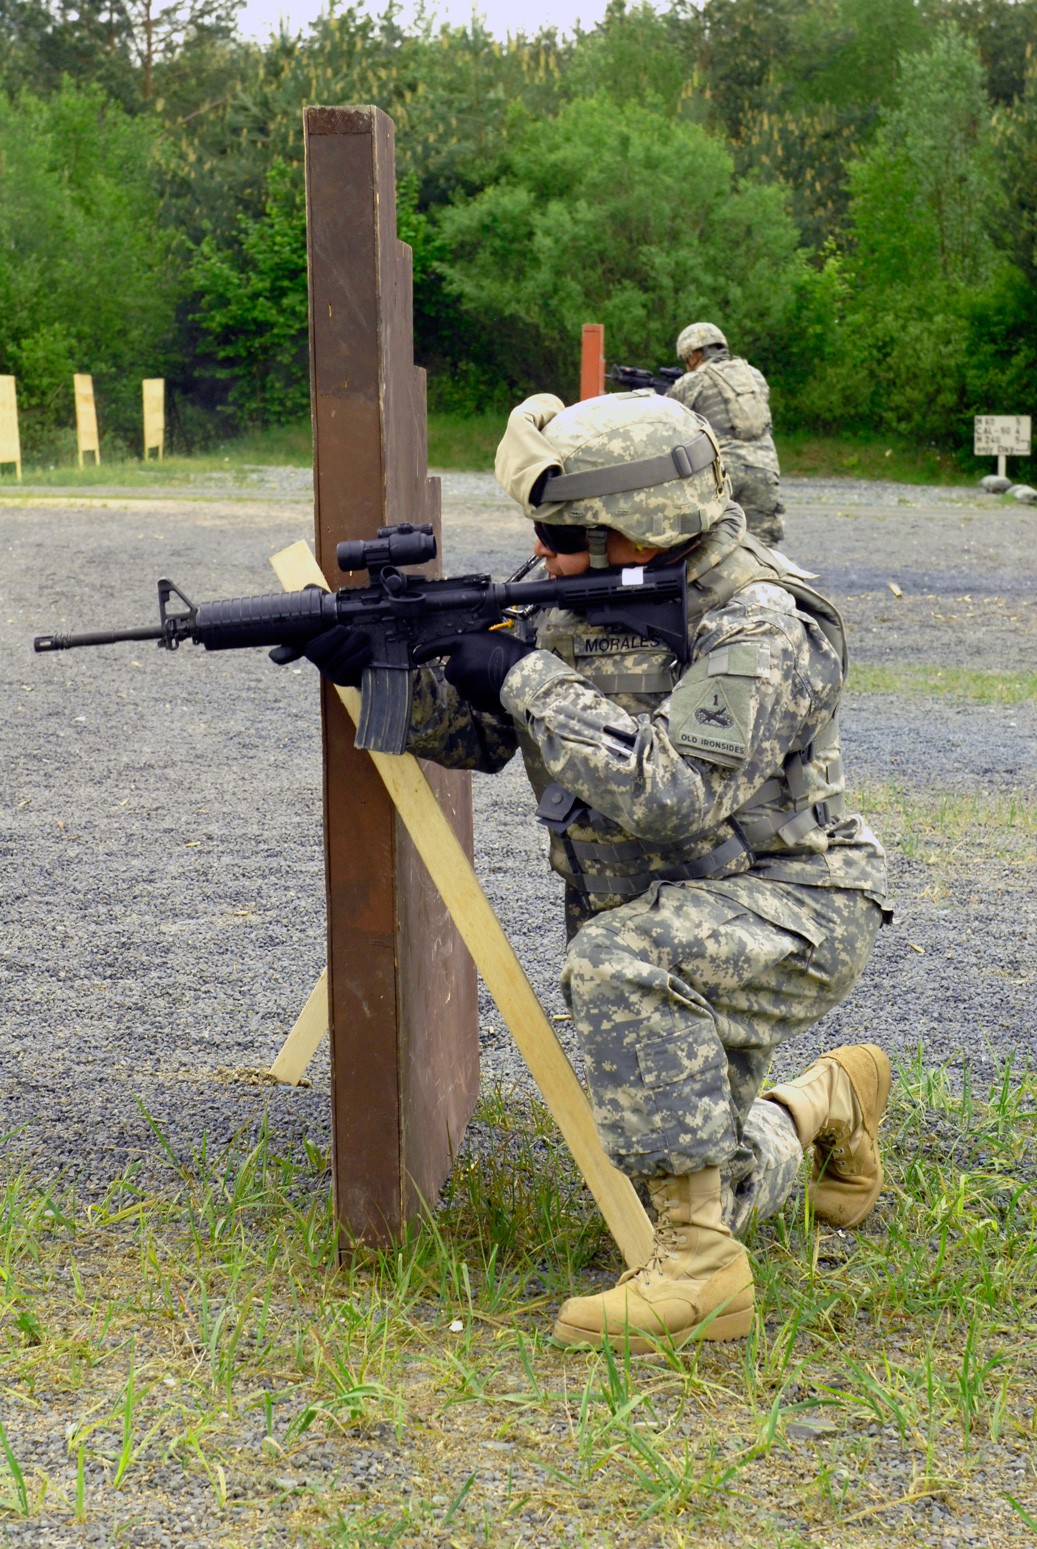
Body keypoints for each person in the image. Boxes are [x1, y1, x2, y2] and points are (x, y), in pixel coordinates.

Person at [290, 389, 891, 1353]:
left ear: (639, 527)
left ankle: (700, 1280)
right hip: (683, 910)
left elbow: (675, 791)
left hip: (797, 908)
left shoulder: (766, 622)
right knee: (718, 1179)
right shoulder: (576, 587)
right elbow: (486, 734)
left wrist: (520, 674)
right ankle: (827, 1101)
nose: (547, 555)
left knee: (614, 962)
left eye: (564, 533)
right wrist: (375, 664)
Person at [666, 321, 785, 549]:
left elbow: (670, 419)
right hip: (766, 469)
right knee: (764, 547)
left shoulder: (693, 381)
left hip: (723, 472)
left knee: (714, 544)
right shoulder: (754, 376)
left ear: (694, 354)